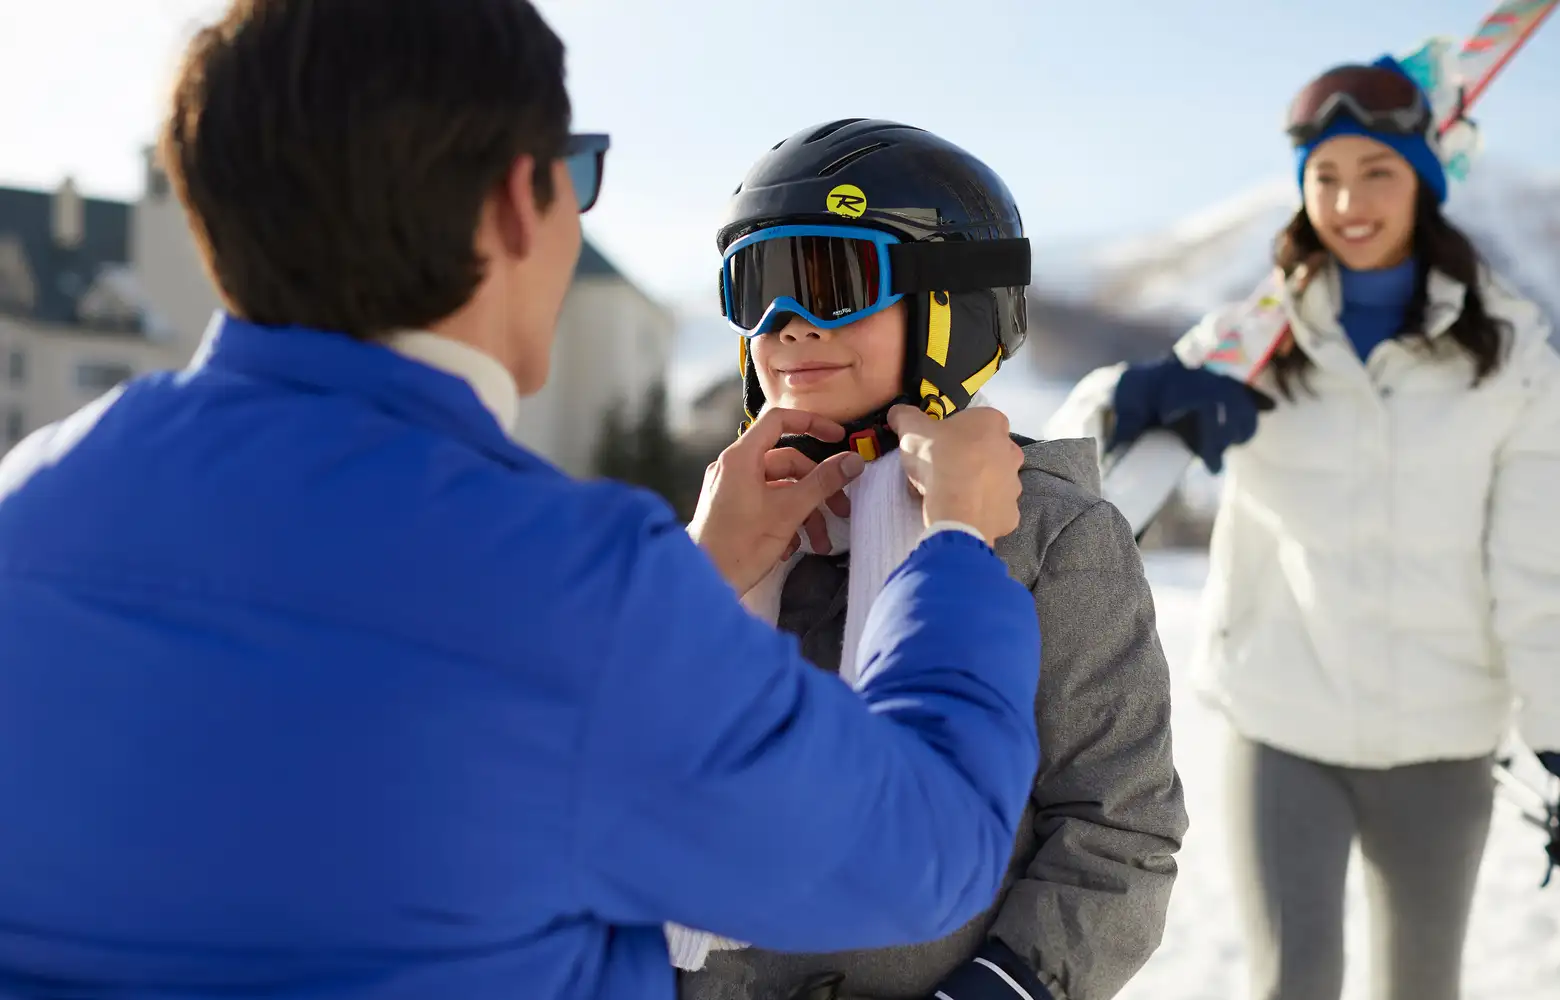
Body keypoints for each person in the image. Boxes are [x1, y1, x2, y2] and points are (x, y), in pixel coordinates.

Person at [0, 3, 1050, 999]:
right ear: (517, 203)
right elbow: (928, 846)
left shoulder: (29, 509)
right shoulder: (573, 595)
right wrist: (953, 542)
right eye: (576, 174)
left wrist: (688, 583)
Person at [1054, 55, 1560, 1000]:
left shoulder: (1512, 356)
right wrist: (1135, 392)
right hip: (1283, 724)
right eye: (1325, 175)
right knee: (1296, 982)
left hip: (1444, 737)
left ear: (1425, 185)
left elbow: (1536, 568)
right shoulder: (1254, 339)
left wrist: (1558, 731)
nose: (1349, 200)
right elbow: (1080, 455)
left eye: (1378, 173)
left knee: (1422, 985)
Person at [670, 119, 1187, 1000]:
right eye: (757, 288)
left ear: (951, 305)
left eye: (830, 282)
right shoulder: (736, 524)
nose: (786, 326)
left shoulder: (1048, 535)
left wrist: (1001, 987)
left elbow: (1118, 827)